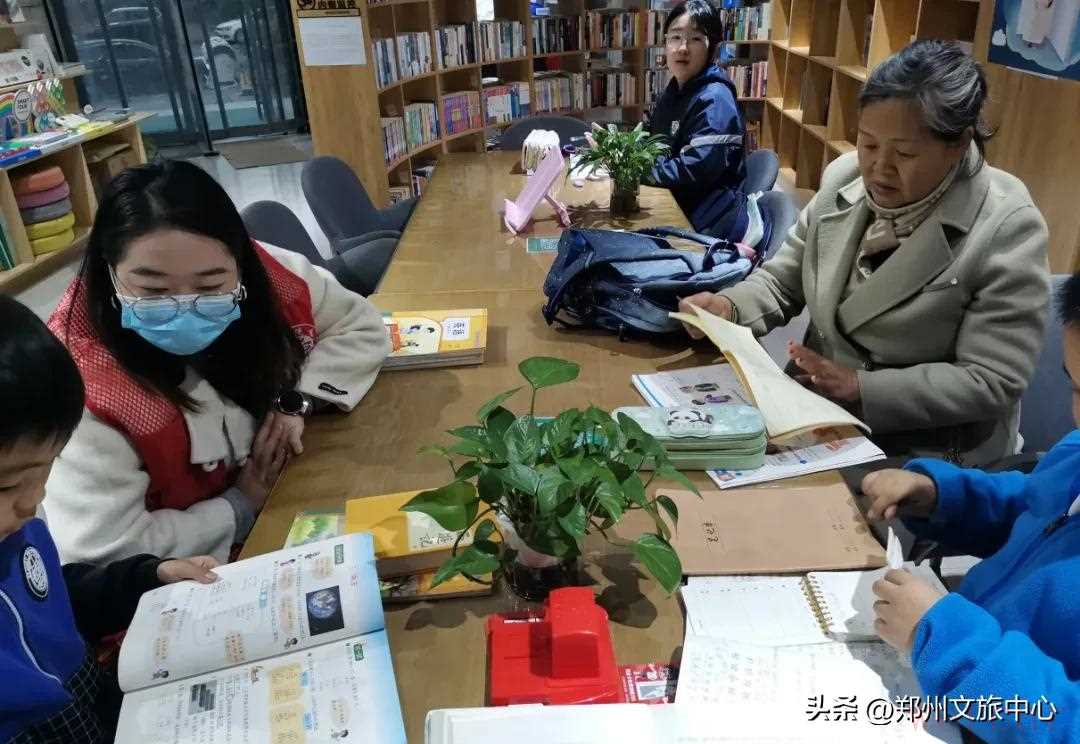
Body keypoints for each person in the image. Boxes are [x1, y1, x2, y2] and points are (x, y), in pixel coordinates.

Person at [680, 40, 1050, 466]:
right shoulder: (844, 178)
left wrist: (861, 386)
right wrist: (728, 307)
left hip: (924, 452)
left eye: (904, 153)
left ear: (959, 143)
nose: (878, 167)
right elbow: (784, 280)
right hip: (815, 409)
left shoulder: (1006, 225)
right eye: (869, 143)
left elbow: (991, 378)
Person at [45, 160, 390, 565]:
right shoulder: (82, 384)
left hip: (299, 489)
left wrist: (297, 401)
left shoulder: (269, 278)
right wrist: (239, 505)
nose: (184, 307)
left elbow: (360, 325)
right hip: (196, 571)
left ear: (239, 265)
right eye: (153, 290)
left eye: (210, 286)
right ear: (110, 273)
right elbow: (101, 550)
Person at [861, 273, 1080, 744]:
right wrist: (940, 495)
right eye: (1078, 388)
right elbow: (1032, 507)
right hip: (948, 669)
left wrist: (946, 640)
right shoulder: (1076, 453)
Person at [0, 294, 219, 743]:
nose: (33, 501)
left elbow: (55, 595)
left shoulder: (15, 533)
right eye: (6, 486)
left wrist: (146, 578)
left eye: (44, 471)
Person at [644, 0, 758, 243]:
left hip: (703, 222)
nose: (682, 48)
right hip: (673, 202)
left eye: (695, 39)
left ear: (712, 47)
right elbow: (656, 138)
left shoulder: (715, 99)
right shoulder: (676, 89)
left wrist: (640, 171)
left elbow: (694, 170)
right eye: (675, 37)